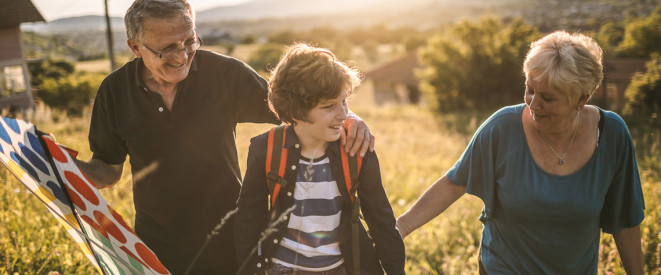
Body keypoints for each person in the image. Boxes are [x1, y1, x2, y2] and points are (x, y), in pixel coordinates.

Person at [73, 1, 374, 274]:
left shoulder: (224, 74)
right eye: (167, 48)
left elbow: (295, 109)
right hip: (158, 246)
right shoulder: (113, 92)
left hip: (231, 240)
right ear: (135, 47)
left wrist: (349, 119)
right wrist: (67, 168)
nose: (182, 55)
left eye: (189, 41)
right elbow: (108, 169)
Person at [396, 31, 645, 274]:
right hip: (503, 267)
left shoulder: (612, 134)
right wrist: (401, 227)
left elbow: (625, 220)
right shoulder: (501, 127)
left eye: (547, 98)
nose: (533, 104)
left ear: (582, 98)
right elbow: (453, 183)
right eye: (530, 89)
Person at [233, 44, 405, 275]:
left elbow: (382, 221)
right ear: (296, 111)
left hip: (343, 268)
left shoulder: (357, 150)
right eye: (329, 106)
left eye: (344, 101)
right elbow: (248, 220)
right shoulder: (265, 148)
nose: (344, 114)